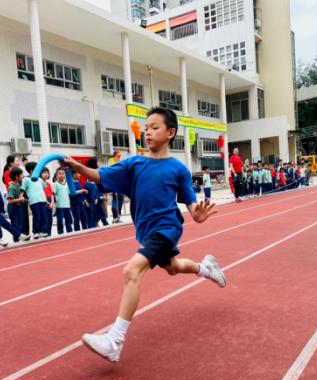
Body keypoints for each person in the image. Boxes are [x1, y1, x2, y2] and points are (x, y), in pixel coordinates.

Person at [64, 107, 226, 363]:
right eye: (146, 128)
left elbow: (192, 206)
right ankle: (205, 268)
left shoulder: (178, 169)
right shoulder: (134, 164)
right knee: (173, 267)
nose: (148, 132)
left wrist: (198, 215)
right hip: (147, 230)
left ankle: (115, 340)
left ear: (170, 132)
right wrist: (77, 167)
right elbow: (100, 176)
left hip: (167, 228)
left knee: (131, 271)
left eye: (154, 127)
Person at [22, 162, 48, 239]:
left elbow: (43, 189)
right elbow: (22, 190)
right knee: (37, 216)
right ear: (31, 170)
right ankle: (35, 232)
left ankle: (42, 231)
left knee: (43, 216)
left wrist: (46, 200)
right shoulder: (26, 179)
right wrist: (21, 197)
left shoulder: (40, 179)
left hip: (42, 200)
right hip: (34, 201)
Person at [6, 167, 27, 241]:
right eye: (21, 174)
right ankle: (16, 240)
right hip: (13, 208)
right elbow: (10, 200)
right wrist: (20, 199)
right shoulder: (11, 187)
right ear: (16, 176)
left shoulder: (18, 184)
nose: (23, 176)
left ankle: (19, 238)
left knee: (20, 223)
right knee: (15, 224)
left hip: (18, 207)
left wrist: (21, 200)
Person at [53, 167, 74, 235]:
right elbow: (54, 194)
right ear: (56, 175)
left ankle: (69, 231)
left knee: (69, 220)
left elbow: (68, 194)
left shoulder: (67, 184)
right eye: (59, 173)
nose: (61, 175)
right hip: (59, 206)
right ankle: (60, 232)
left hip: (67, 205)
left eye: (63, 173)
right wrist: (55, 203)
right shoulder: (55, 184)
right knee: (60, 221)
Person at [109, 150, 124, 224]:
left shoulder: (118, 160)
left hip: (120, 184)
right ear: (115, 154)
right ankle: (115, 217)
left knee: (120, 199)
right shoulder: (111, 161)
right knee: (116, 199)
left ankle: (118, 216)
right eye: (119, 154)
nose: (120, 155)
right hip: (115, 184)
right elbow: (113, 171)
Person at [41, 168, 54, 236]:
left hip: (49, 202)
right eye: (44, 173)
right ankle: (44, 233)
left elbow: (51, 194)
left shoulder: (49, 184)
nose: (46, 174)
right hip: (44, 202)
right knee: (44, 220)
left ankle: (49, 234)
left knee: (50, 220)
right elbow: (41, 194)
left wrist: (52, 202)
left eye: (47, 173)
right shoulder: (40, 183)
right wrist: (46, 202)